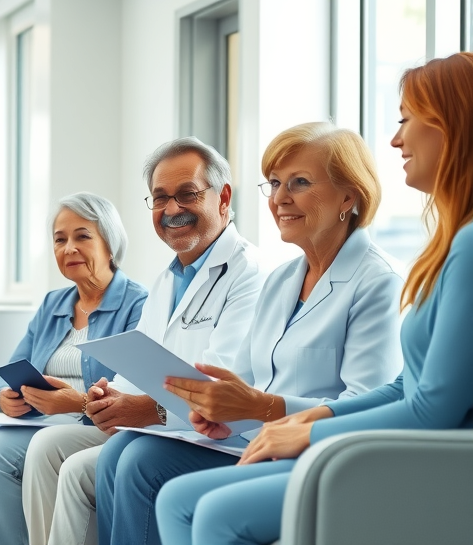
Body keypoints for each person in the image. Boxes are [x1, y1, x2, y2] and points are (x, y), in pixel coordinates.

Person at [155, 52, 473, 545]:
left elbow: (430, 408)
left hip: (428, 464)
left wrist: (300, 429)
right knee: (175, 499)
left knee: (216, 512)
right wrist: (293, 416)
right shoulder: (451, 246)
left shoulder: (446, 256)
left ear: (453, 126)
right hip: (349, 444)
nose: (395, 139)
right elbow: (405, 387)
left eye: (407, 120)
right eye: (276, 183)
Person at [95, 121, 406, 545]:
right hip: (248, 441)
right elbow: (242, 382)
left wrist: (259, 407)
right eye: (275, 183)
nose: (280, 199)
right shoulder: (283, 280)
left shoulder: (377, 282)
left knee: (142, 463)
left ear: (348, 195)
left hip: (314, 452)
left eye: (299, 183)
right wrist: (216, 410)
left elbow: (365, 403)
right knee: (118, 453)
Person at [21, 139, 265, 545]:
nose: (171, 209)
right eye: (160, 198)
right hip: (165, 424)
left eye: (187, 194)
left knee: (95, 465)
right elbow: (140, 366)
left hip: (213, 435)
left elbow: (224, 382)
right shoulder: (168, 278)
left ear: (223, 198)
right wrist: (106, 395)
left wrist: (143, 409)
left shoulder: (249, 273)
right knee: (48, 445)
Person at [0, 192, 150, 545]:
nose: (69, 248)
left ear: (110, 243)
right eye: (60, 239)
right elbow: (7, 369)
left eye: (82, 236)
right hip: (42, 420)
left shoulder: (138, 304)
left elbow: (134, 392)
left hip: (93, 423)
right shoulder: (53, 303)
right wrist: (7, 396)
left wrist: (73, 401)